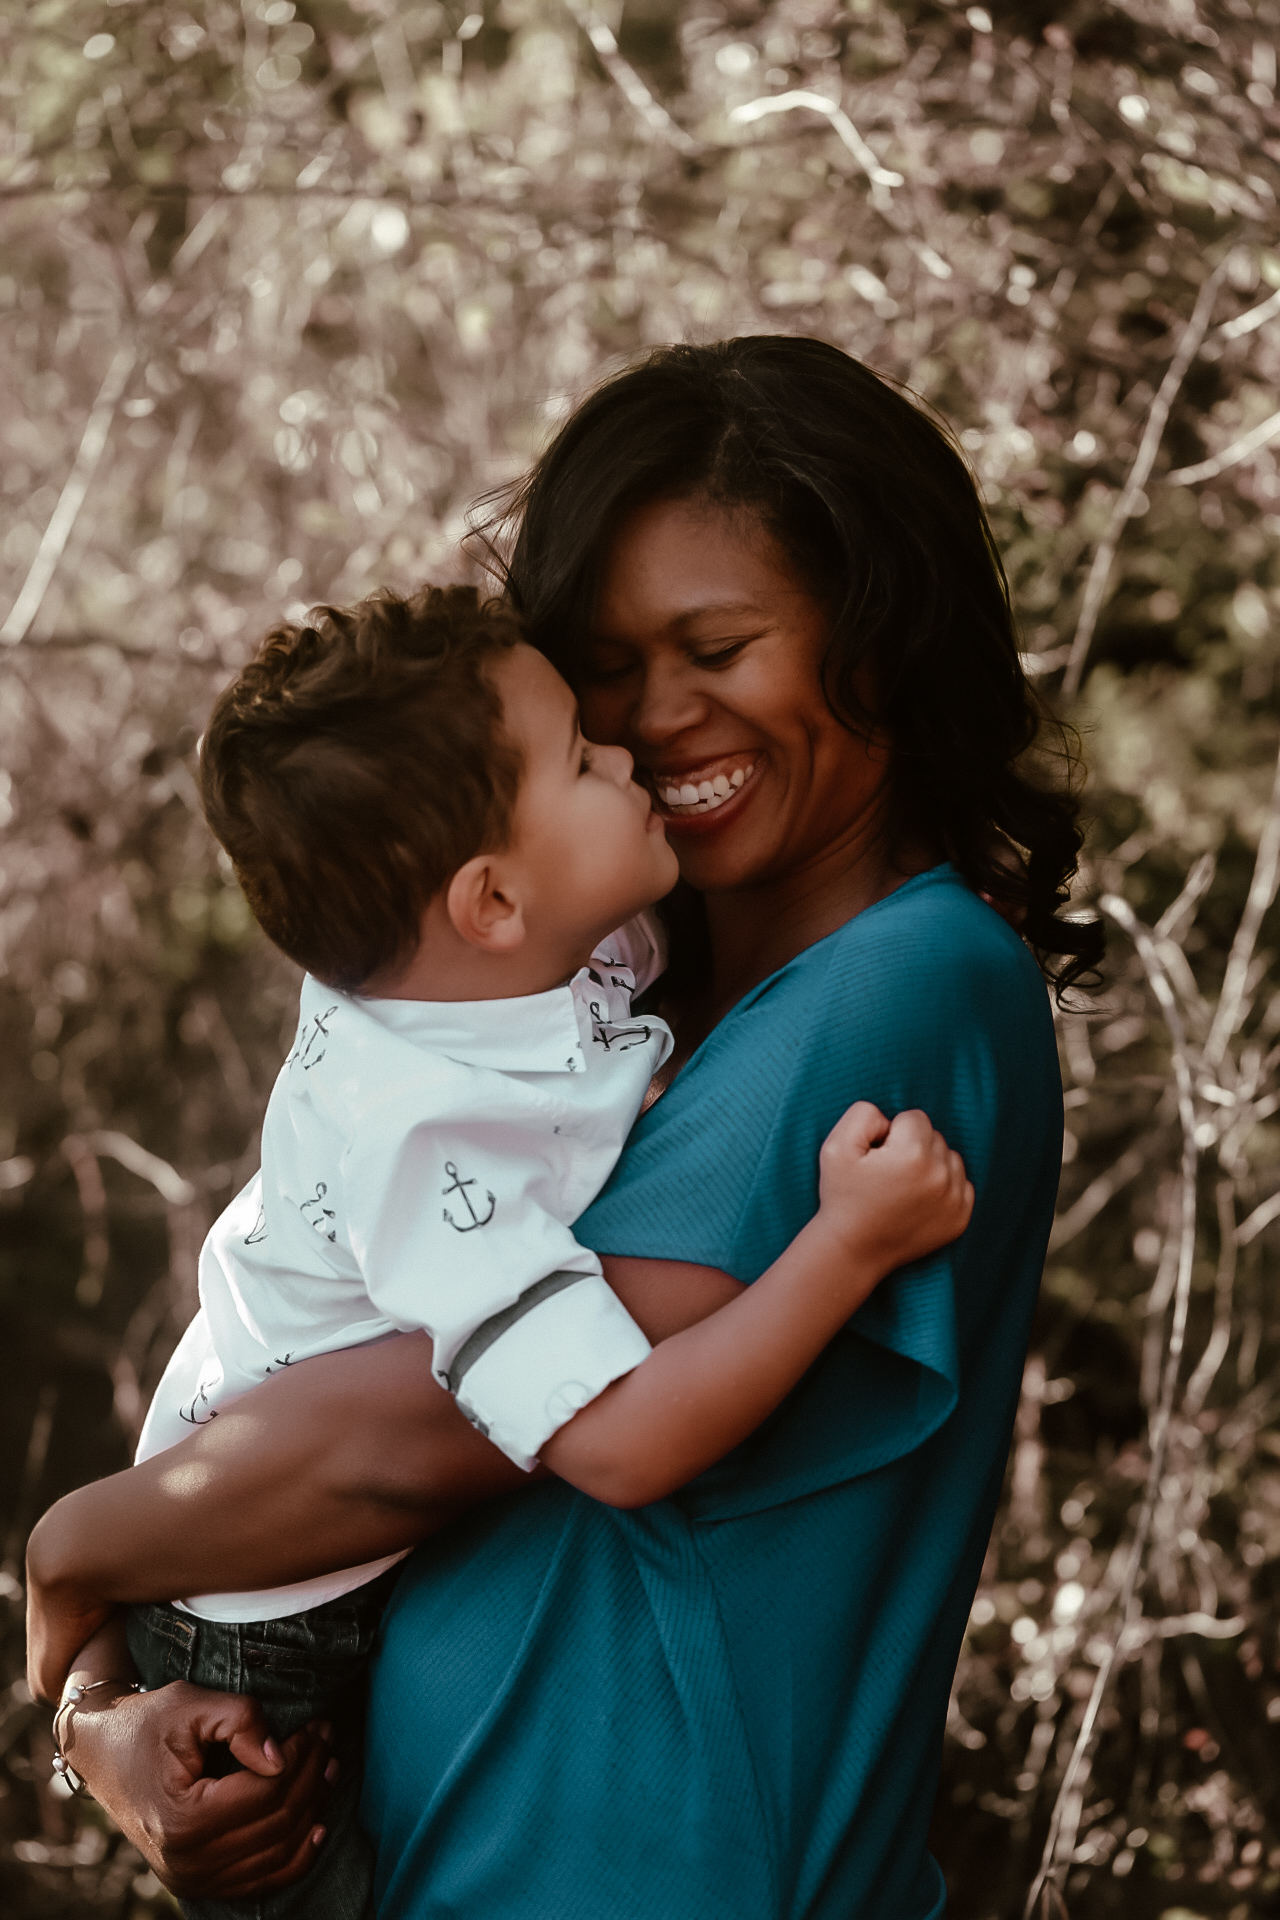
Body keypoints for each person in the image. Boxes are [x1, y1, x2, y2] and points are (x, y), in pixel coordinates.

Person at [25, 336, 1100, 1919]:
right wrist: (101, 1725)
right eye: (604, 670)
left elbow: (405, 1443)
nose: (656, 721)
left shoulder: (899, 985)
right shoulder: (594, 1009)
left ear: (883, 632)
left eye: (719, 645)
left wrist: (69, 1554)